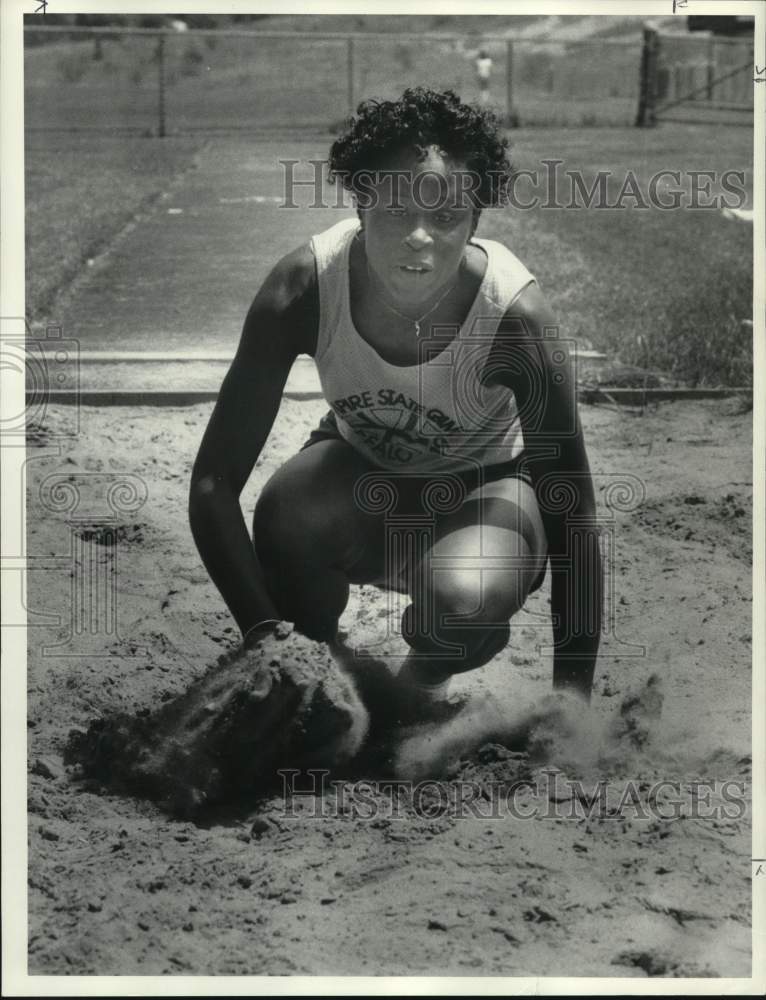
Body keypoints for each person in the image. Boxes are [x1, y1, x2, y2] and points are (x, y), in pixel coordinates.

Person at [189, 87, 602, 726]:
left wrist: (572, 708)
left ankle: (414, 687)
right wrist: (267, 644)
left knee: (465, 601)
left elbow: (572, 517)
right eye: (395, 209)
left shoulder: (514, 320)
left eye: (446, 216)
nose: (418, 237)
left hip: (486, 488)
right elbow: (214, 484)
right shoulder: (303, 289)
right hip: (359, 478)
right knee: (288, 516)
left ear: (475, 221)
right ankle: (319, 670)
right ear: (360, 203)